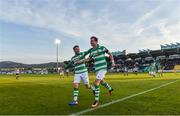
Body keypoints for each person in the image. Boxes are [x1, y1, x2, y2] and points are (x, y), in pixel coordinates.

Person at [86, 36, 115, 108]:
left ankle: (96, 101)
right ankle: (110, 88)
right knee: (101, 81)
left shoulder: (102, 48)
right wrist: (82, 61)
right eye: (90, 41)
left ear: (96, 41)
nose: (91, 42)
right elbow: (89, 59)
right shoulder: (91, 51)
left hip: (103, 68)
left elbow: (110, 54)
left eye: (92, 41)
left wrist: (113, 61)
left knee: (96, 83)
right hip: (97, 69)